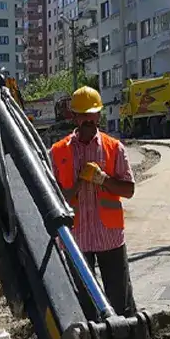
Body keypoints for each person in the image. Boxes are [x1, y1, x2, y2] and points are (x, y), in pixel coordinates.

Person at [50, 86, 138, 316]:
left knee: (120, 302)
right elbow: (54, 198)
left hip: (109, 237)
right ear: (75, 117)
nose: (88, 120)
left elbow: (129, 190)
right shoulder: (58, 152)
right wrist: (79, 184)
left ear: (99, 115)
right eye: (83, 115)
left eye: (92, 114)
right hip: (75, 239)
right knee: (83, 305)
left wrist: (103, 179)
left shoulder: (114, 148)